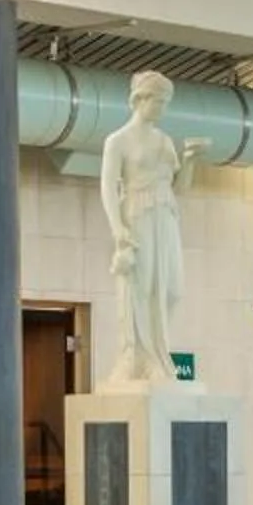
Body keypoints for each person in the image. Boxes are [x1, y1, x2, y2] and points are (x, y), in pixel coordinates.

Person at [101, 71, 192, 386]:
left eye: (166, 103)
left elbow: (181, 185)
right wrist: (117, 229)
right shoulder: (118, 141)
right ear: (140, 98)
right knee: (141, 286)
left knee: (171, 288)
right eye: (159, 101)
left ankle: (158, 354)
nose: (162, 109)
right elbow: (108, 187)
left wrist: (190, 159)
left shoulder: (164, 141)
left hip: (166, 214)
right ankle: (139, 357)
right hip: (137, 213)